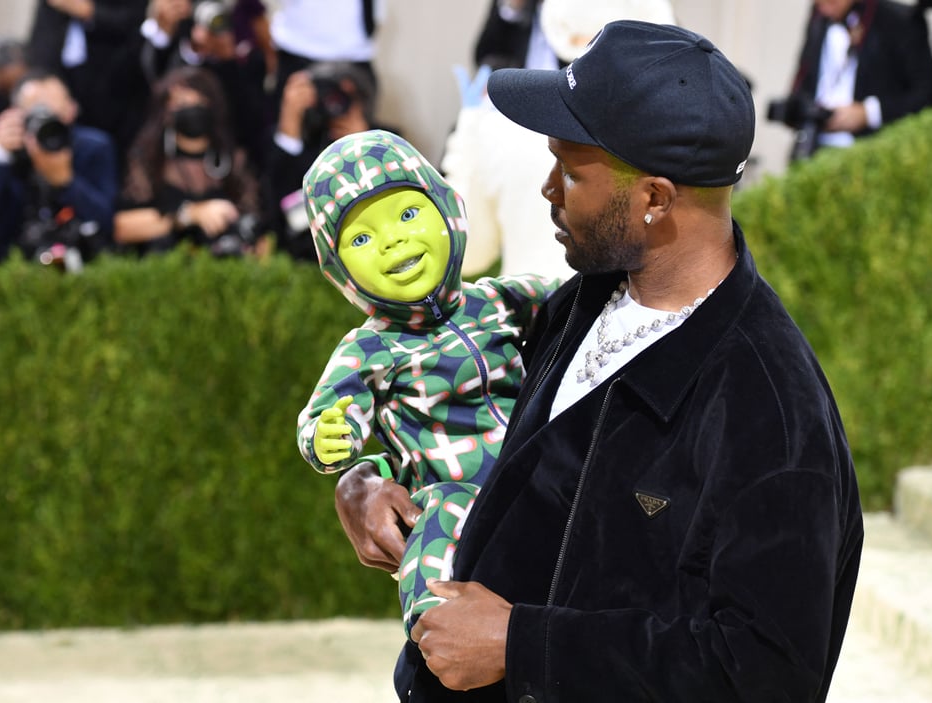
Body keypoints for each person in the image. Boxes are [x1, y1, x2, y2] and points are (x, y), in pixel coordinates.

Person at [333, 20, 864, 701]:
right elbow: (459, 422)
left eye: (570, 169)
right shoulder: (581, 300)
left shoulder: (772, 410)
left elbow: (768, 672)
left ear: (654, 198)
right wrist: (366, 481)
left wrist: (520, 644)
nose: (549, 189)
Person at [297, 128, 560, 637]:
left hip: (534, 469)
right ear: (338, 271)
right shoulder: (370, 347)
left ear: (449, 211)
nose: (392, 239)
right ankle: (435, 624)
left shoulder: (498, 299)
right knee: (437, 523)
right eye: (361, 238)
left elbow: (570, 299)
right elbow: (329, 411)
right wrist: (329, 437)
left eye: (409, 214)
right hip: (452, 486)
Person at [443, 0, 676, 281]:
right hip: (628, 314)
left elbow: (466, 252)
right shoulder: (665, 138)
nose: (551, 190)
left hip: (533, 314)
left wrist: (468, 133)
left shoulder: (497, 126)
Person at [0, 69, 118, 268]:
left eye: (54, 116)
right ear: (14, 113)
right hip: (7, 267)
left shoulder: (92, 148)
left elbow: (107, 223)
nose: (45, 127)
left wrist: (66, 181)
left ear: (71, 110)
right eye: (36, 115)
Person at [113, 65, 265, 259]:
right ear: (166, 112)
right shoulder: (147, 162)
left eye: (198, 102)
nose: (191, 109)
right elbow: (122, 227)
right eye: (181, 103)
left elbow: (260, 228)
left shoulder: (233, 161)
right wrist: (189, 215)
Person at [771, 0, 932, 161]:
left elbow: (927, 95)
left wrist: (869, 113)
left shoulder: (899, 20)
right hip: (816, 149)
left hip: (873, 153)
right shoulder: (819, 17)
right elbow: (805, 78)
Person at [139, 0, 274, 176]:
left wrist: (228, 60)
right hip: (172, 149)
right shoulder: (179, 28)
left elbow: (252, 117)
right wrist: (194, 52)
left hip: (228, 151)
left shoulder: (249, 47)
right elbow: (156, 80)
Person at [267, 60, 382, 260]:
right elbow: (275, 199)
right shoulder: (299, 141)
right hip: (298, 254)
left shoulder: (384, 141)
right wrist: (290, 125)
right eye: (328, 92)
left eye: (346, 94)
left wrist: (363, 145)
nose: (335, 101)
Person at [26, 0, 151, 162]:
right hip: (59, 85)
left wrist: (90, 11)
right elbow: (41, 43)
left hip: (111, 93)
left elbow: (138, 23)